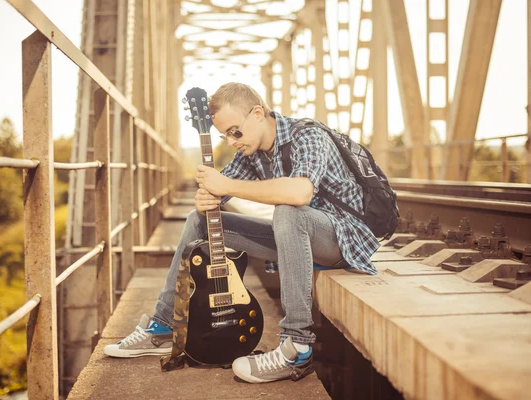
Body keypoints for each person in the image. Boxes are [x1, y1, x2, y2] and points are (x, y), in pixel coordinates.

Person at [103, 82, 380, 383]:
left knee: (287, 209)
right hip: (296, 237)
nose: (231, 140)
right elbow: (217, 195)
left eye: (235, 131)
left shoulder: (308, 135)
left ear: (258, 113)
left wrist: (228, 186)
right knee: (199, 220)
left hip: (342, 239)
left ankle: (297, 346)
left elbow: (300, 192)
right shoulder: (251, 152)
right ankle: (164, 324)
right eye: (224, 135)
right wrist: (206, 197)